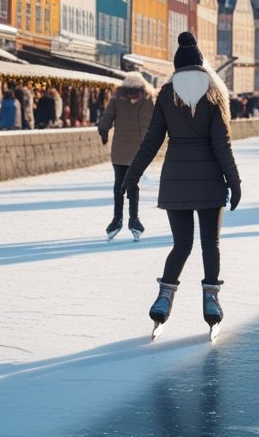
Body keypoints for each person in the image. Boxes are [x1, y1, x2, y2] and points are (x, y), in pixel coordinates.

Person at [124, 32, 241, 338]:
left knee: (181, 244)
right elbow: (222, 144)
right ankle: (211, 301)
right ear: (201, 65)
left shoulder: (166, 94)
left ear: (177, 67)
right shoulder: (214, 94)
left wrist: (132, 174)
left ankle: (164, 298)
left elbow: (152, 141)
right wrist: (235, 181)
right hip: (210, 182)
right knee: (210, 245)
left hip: (175, 179)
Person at [97, 72, 156, 240]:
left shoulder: (117, 99)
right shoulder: (148, 99)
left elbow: (106, 118)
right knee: (132, 183)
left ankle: (117, 219)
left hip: (119, 149)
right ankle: (134, 219)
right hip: (140, 149)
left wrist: (103, 131)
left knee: (118, 184)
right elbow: (157, 122)